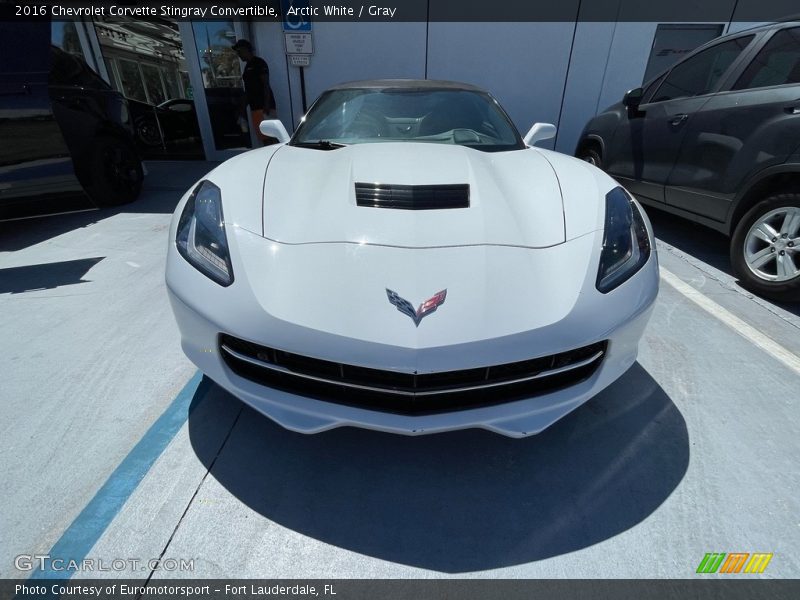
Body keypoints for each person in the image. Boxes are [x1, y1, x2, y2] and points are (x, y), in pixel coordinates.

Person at [231, 39, 277, 145]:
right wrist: (242, 108)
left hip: (264, 108)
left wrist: (267, 105)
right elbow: (248, 90)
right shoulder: (247, 67)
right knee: (263, 137)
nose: (238, 54)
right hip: (255, 108)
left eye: (239, 51)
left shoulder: (259, 63)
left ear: (246, 50)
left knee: (270, 137)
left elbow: (266, 84)